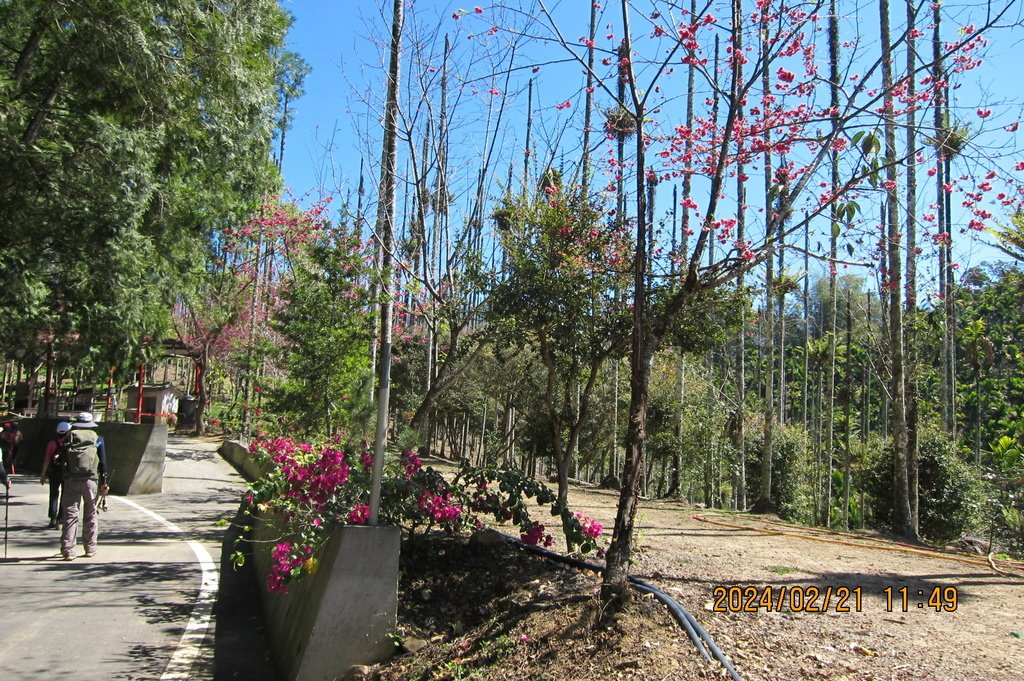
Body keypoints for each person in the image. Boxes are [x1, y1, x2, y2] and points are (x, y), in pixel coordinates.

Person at [59, 412, 109, 560]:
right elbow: (103, 464)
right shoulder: (98, 439)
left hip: (72, 480)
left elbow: (62, 460)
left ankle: (68, 550)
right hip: (90, 480)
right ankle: (90, 548)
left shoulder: (68, 438)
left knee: (70, 515)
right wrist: (104, 483)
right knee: (91, 514)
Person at [40, 422, 72, 529]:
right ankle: (60, 520)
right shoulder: (70, 443)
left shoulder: (52, 444)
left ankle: (52, 518)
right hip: (66, 472)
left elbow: (47, 459)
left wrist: (43, 474)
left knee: (53, 494)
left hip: (54, 471)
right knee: (64, 495)